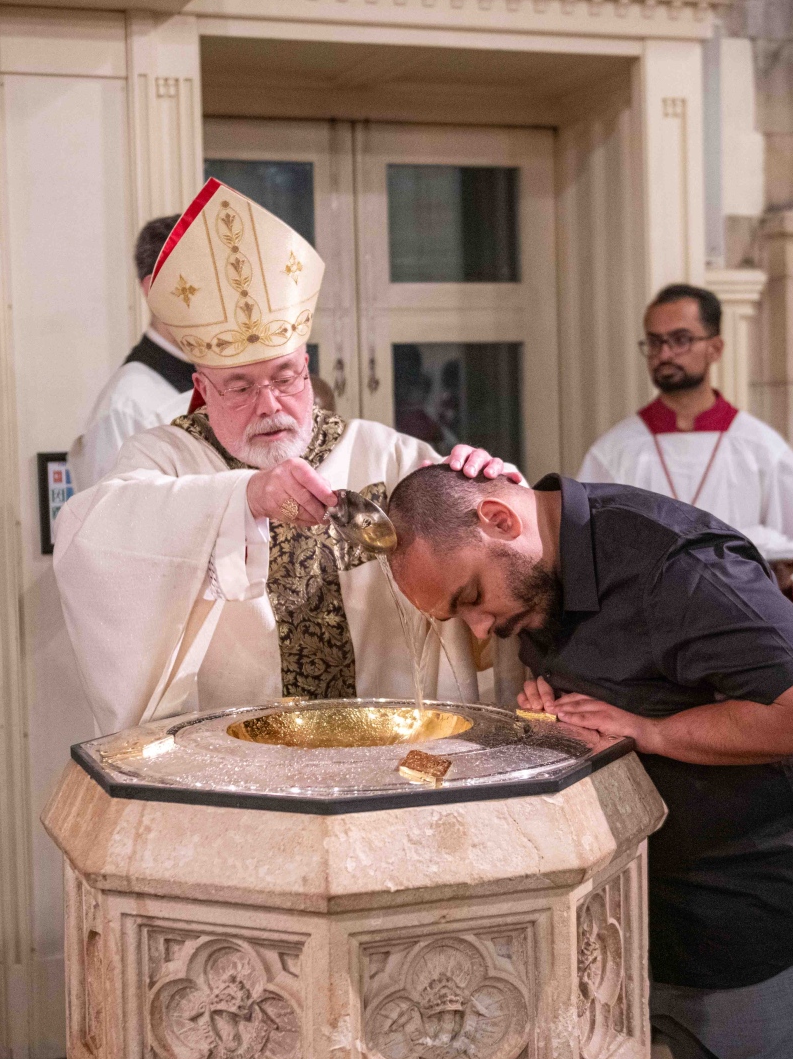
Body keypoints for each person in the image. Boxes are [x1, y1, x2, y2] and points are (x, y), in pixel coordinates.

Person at [385, 465, 793, 1059]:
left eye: (473, 597)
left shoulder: (672, 565)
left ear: (501, 521)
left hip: (775, 905)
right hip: (670, 912)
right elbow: (621, 692)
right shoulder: (537, 569)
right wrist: (557, 720)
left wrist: (652, 731)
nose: (480, 630)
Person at [53, 179, 519, 738]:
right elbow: (90, 541)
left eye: (285, 377)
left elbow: (497, 577)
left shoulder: (389, 456)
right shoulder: (166, 457)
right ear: (202, 388)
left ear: (306, 367)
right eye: (240, 387)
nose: (270, 405)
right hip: (237, 764)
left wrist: (491, 494)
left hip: (384, 757)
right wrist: (243, 498)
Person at [579, 283, 793, 632]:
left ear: (715, 348)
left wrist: (782, 584)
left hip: (741, 631)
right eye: (655, 342)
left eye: (680, 340)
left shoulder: (760, 447)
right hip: (650, 635)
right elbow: (587, 555)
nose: (664, 353)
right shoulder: (615, 451)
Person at [68, 213, 195, 490]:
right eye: (199, 279)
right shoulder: (126, 406)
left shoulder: (230, 379)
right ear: (154, 289)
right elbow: (110, 512)